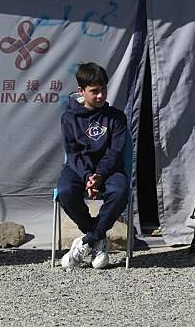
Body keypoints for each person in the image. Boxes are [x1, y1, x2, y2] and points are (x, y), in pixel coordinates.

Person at [57, 62, 129, 269]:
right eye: (94, 91)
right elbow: (72, 153)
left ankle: (87, 241)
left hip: (109, 169)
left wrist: (99, 175)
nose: (100, 96)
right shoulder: (69, 118)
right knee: (65, 191)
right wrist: (87, 175)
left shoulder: (116, 117)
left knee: (120, 190)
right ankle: (97, 238)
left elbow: (115, 152)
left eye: (103, 89)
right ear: (81, 91)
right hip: (79, 169)